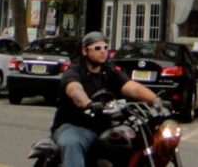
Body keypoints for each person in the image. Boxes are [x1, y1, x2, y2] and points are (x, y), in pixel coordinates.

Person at [51, 31, 156, 167]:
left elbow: (132, 87)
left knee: (127, 141)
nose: (103, 51)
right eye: (97, 48)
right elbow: (74, 90)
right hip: (74, 126)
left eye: (105, 48)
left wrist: (156, 100)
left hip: (103, 127)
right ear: (85, 51)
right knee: (72, 143)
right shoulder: (75, 70)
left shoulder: (109, 70)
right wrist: (88, 103)